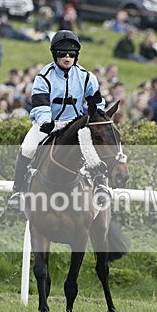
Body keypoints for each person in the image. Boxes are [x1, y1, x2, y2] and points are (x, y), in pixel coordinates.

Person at [7, 30, 108, 211]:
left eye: (71, 54)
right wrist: (46, 121)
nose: (67, 57)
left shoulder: (86, 77)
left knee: (93, 149)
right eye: (63, 53)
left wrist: (94, 119)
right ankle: (17, 191)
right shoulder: (43, 77)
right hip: (49, 123)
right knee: (27, 148)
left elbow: (97, 104)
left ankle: (101, 185)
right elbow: (41, 104)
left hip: (75, 124)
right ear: (55, 54)